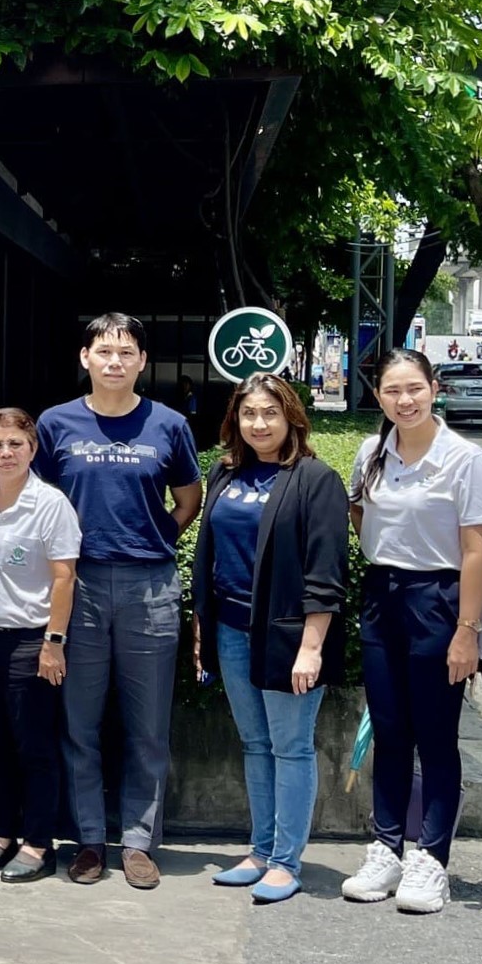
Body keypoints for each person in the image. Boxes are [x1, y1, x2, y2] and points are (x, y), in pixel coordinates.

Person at [32, 313, 202, 889]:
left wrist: (156, 538)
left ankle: (138, 841)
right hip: (76, 586)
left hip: (148, 586)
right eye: (104, 351)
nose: (114, 362)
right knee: (79, 723)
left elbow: (188, 498)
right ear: (85, 357)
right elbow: (39, 501)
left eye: (126, 353)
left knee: (147, 727)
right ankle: (87, 839)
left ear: (142, 361)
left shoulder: (168, 424)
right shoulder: (56, 423)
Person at [339, 348, 482, 914]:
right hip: (383, 594)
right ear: (378, 396)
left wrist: (467, 629)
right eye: (392, 391)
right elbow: (359, 511)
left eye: (414, 388)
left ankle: (432, 857)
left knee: (434, 735)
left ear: (434, 388)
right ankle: (386, 847)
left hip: (440, 598)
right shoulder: (371, 452)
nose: (404, 400)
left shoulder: (465, 460)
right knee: (388, 730)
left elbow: (478, 549)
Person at [188, 374, 349, 904]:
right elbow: (210, 555)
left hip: (286, 638)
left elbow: (326, 574)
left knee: (291, 747)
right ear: (235, 418)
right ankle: (260, 851)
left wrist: (311, 647)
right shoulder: (225, 472)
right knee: (255, 744)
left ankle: (285, 861)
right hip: (231, 631)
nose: (259, 423)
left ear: (291, 418)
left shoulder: (315, 480)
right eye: (249, 413)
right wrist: (203, 625)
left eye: (270, 413)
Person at [0, 407, 77, 884]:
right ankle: (1, 833)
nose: (6, 453)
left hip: (30, 641)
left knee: (34, 746)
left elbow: (64, 578)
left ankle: (39, 843)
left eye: (15, 444)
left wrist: (53, 642)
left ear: (32, 449)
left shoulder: (50, 504)